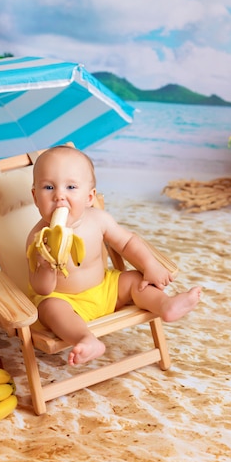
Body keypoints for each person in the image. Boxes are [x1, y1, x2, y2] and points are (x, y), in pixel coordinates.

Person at [26, 145, 201, 366]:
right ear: (35, 197)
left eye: (71, 187)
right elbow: (42, 289)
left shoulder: (98, 219)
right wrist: (45, 266)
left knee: (135, 280)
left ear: (89, 197)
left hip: (106, 289)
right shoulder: (37, 238)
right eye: (49, 187)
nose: (59, 195)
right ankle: (86, 340)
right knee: (49, 308)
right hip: (66, 300)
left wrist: (149, 265)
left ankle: (165, 305)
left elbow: (127, 242)